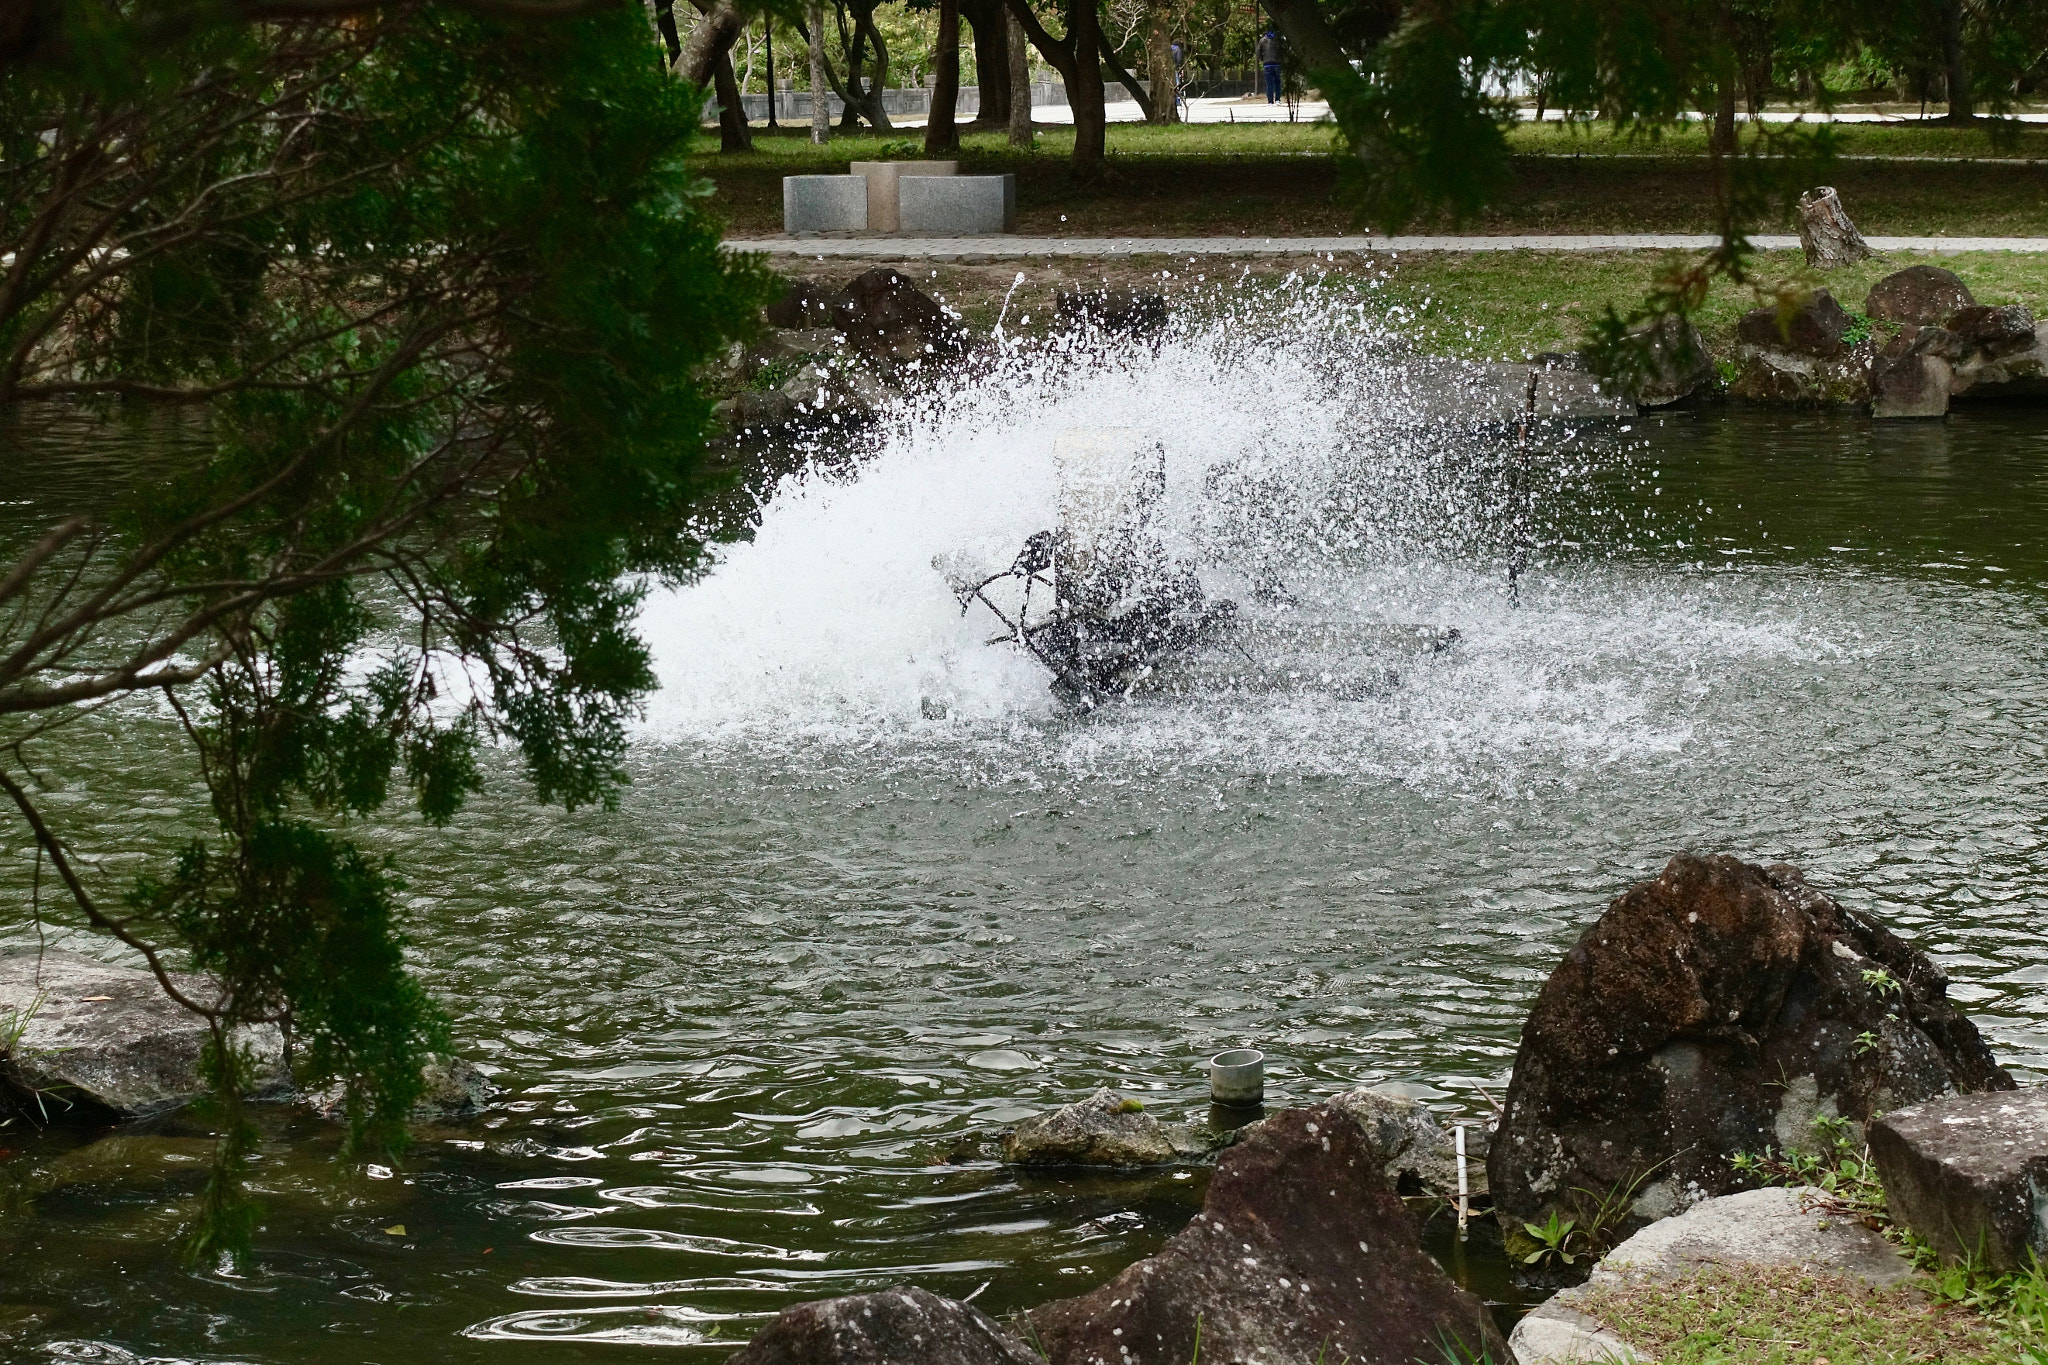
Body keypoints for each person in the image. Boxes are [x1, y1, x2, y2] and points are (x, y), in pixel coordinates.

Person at [1256, 29, 1281, 104]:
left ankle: (1270, 101)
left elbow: (1258, 52)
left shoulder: (1262, 41)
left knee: (1269, 83)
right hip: (1276, 63)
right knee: (1277, 83)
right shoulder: (1277, 40)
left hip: (1267, 64)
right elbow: (1282, 51)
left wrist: (1262, 59)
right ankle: (1277, 99)